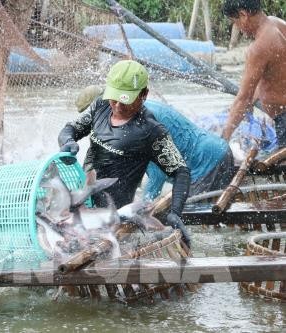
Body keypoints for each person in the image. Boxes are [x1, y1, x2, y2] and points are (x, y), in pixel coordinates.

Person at [59, 60, 191, 246]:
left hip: (115, 221)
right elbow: (70, 128)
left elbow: (181, 171)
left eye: (126, 100)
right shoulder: (100, 106)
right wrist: (67, 142)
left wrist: (175, 213)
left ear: (144, 94)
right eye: (114, 98)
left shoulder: (152, 131)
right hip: (83, 205)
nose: (118, 105)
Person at [75, 86, 235, 200]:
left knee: (193, 220)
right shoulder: (132, 109)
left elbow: (158, 174)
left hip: (206, 163)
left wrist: (142, 208)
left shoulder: (137, 123)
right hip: (217, 152)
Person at [221, 0, 286, 148]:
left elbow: (243, 98)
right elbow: (278, 72)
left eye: (235, 22)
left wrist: (224, 138)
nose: (237, 27)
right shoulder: (277, 24)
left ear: (243, 15)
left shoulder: (258, 48)